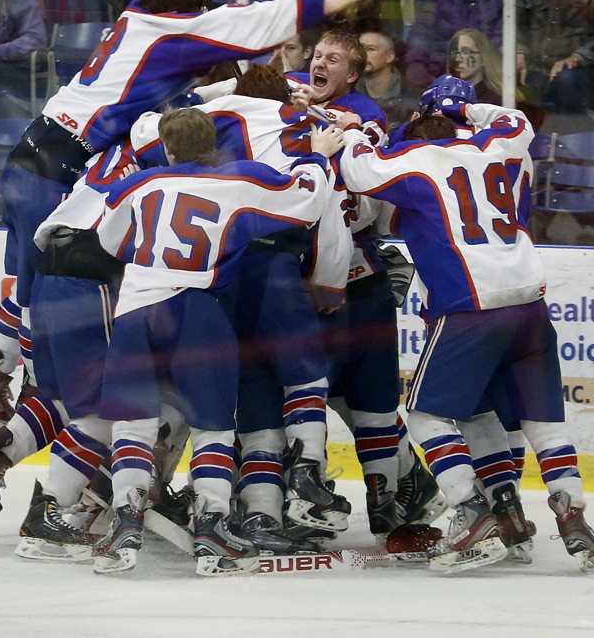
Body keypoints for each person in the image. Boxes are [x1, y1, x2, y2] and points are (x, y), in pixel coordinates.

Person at [0, 0, 363, 526]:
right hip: (81, 243)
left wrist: (225, 90)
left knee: (57, 383)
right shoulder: (161, 63)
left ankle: (0, 375)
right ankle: (64, 507)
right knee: (118, 399)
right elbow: (228, 32)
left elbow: (183, 113)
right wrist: (319, 3)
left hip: (37, 171)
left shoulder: (131, 80)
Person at [338, 82, 594, 575]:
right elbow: (515, 119)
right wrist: (467, 107)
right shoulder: (501, 143)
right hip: (530, 307)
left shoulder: (417, 158)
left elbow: (358, 168)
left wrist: (355, 133)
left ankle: (472, 513)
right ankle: (565, 520)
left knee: (424, 417)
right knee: (528, 423)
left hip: (470, 306)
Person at [91, 107, 334, 575]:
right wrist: (318, 158)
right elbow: (306, 201)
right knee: (213, 426)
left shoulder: (137, 184)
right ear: (214, 146)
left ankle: (124, 525)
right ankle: (213, 528)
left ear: (167, 146)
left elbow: (110, 240)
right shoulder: (236, 180)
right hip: (197, 310)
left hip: (136, 309)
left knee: (133, 425)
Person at [289, 30, 445, 541]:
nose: (319, 64)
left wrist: (304, 108)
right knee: (331, 396)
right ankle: (397, 488)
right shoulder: (294, 97)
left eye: (333, 59)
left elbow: (358, 124)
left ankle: (385, 502)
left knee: (369, 402)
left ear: (352, 75)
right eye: (315, 57)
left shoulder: (361, 111)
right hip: (324, 279)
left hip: (355, 279)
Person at [517, 0, 594, 114]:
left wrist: (577, 58)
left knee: (567, 79)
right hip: (535, 73)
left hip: (581, 75)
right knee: (505, 77)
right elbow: (515, 26)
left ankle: (576, 138)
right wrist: (519, 53)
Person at [357, 31, 415, 129]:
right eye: (359, 49)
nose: (362, 54)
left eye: (370, 49)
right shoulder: (347, 91)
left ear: (389, 57)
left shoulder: (411, 95)